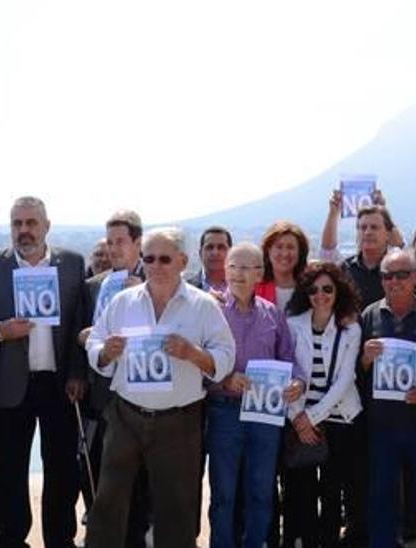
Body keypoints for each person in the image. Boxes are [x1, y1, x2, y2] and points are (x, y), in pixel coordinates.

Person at [85, 227, 235, 547]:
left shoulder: (203, 305)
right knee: (109, 501)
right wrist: (104, 352)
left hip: (178, 421)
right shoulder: (123, 302)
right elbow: (95, 340)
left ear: (182, 261)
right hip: (126, 415)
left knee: (176, 508)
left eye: (164, 259)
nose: (155, 265)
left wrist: (193, 353)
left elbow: (226, 354)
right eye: (148, 258)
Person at [0, 196, 88, 548]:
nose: (24, 230)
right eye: (17, 223)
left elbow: (82, 320)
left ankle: (59, 539)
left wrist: (78, 373)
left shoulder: (72, 263)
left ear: (46, 226)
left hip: (60, 384)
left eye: (31, 223)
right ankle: (11, 539)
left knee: (62, 470)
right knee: (6, 473)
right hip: (6, 386)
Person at [207, 243, 303, 548]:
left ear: (260, 273)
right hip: (224, 411)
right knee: (223, 493)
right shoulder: (211, 311)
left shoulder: (273, 315)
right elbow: (199, 364)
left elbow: (288, 359)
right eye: (233, 266)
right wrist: (224, 380)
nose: (238, 273)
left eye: (246, 267)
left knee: (261, 490)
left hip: (264, 415)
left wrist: (297, 383)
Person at [358, 250, 416, 548]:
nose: (394, 281)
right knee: (382, 496)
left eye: (402, 274)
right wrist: (366, 360)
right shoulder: (369, 315)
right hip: (382, 426)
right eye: (387, 275)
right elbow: (356, 371)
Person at [79, 209, 151, 548]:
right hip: (105, 396)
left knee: (143, 482)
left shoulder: (159, 280)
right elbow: (77, 336)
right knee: (109, 476)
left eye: (120, 241)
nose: (113, 248)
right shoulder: (96, 284)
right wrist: (87, 340)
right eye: (109, 242)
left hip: (148, 395)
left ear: (138, 242)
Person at [282, 261, 363, 548]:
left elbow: (345, 379)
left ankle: (328, 541)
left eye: (327, 288)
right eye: (314, 289)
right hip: (300, 417)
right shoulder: (292, 325)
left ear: (338, 290)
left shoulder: (350, 328)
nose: (321, 295)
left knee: (332, 490)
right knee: (301, 489)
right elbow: (287, 373)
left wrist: (312, 417)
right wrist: (297, 418)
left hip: (338, 418)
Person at [258, 221, 310, 313]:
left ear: (300, 252)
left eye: (290, 247)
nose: (285, 253)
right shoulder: (254, 289)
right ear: (268, 250)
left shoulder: (311, 289)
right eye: (279, 247)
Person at [186, 226, 232, 295]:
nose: (215, 253)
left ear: (231, 253)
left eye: (221, 247)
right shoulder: (186, 290)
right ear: (200, 253)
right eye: (209, 247)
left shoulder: (246, 288)